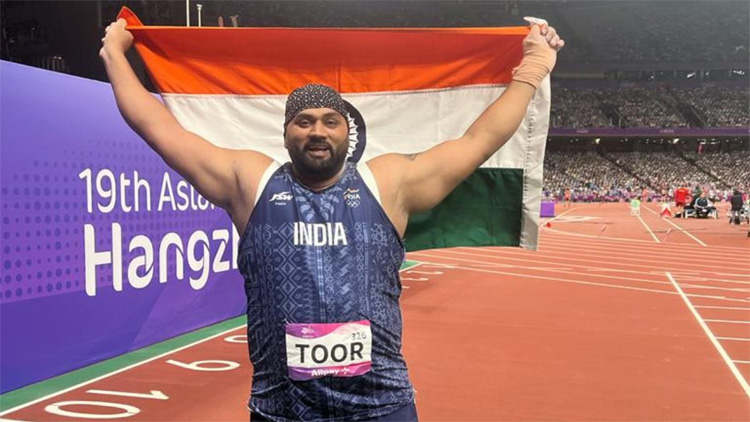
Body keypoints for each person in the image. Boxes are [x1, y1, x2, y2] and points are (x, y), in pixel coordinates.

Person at [100, 17, 563, 422]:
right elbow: (158, 128)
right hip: (282, 410)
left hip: (381, 406)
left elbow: (479, 141)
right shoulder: (250, 182)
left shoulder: (388, 183)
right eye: (303, 121)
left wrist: (533, 68)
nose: (317, 131)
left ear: (348, 132)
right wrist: (115, 54)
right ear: (286, 133)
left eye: (329, 121)